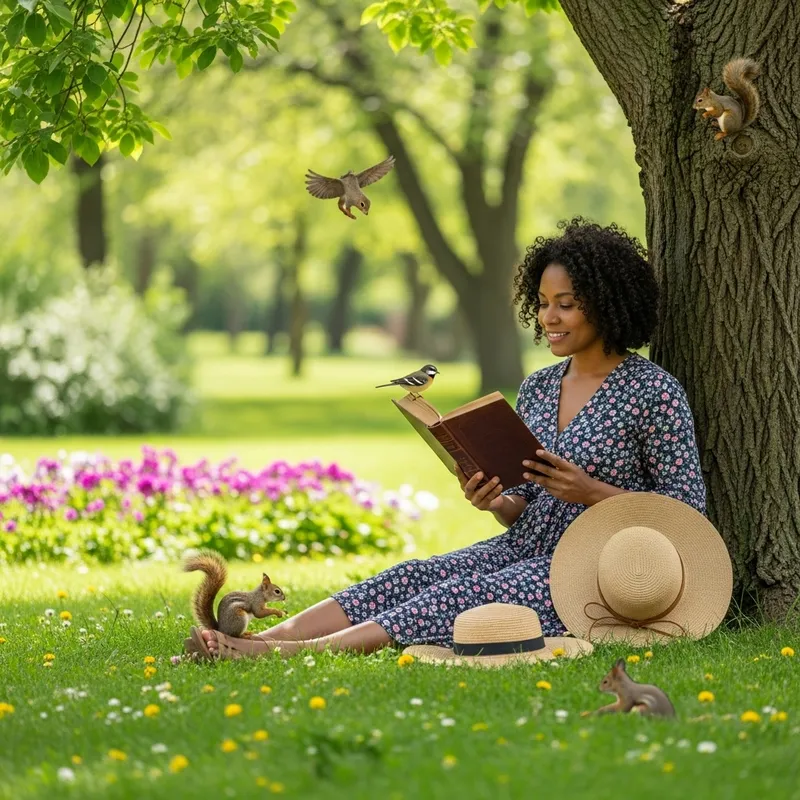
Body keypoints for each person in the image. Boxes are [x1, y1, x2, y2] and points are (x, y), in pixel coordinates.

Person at [194, 217, 707, 660]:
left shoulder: (652, 391)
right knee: (412, 575)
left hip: (596, 569)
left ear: (609, 304)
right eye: (544, 302)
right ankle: (265, 634)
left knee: (461, 592)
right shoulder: (540, 386)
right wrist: (494, 501)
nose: (549, 318)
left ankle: (280, 653)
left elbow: (687, 518)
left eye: (566, 305)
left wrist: (589, 491)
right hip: (525, 546)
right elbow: (525, 506)